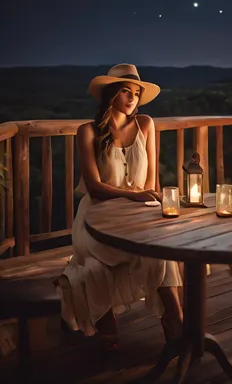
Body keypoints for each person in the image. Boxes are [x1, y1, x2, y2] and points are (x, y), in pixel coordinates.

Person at [57, 64, 183, 352]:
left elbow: (150, 181)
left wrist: (143, 202)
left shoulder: (146, 125)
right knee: (95, 264)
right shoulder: (87, 131)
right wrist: (133, 197)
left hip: (138, 215)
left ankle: (176, 321)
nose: (132, 98)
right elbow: (94, 186)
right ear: (111, 94)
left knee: (160, 252)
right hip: (95, 217)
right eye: (125, 91)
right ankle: (106, 326)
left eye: (136, 93)